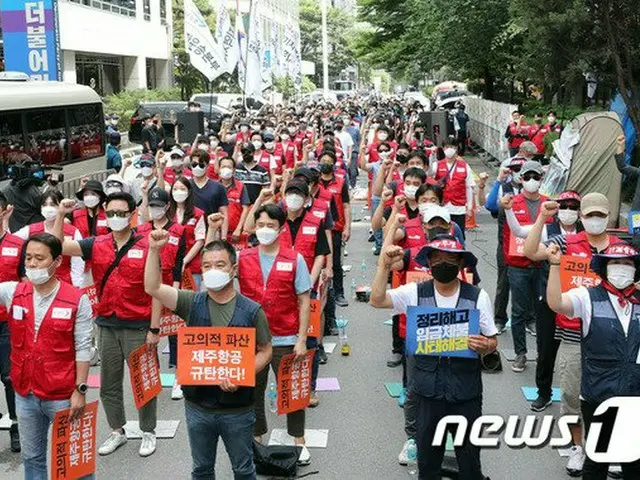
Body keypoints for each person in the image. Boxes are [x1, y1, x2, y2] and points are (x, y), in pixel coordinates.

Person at [144, 233, 272, 480]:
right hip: (198, 407)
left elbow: (265, 350)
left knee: (243, 469)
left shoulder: (252, 311)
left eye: (220, 265)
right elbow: (152, 287)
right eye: (207, 266)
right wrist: (153, 250)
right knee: (202, 470)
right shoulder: (191, 302)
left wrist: (241, 373)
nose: (213, 270)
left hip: (238, 409)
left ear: (233, 269)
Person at [371, 235, 497, 479]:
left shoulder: (477, 297)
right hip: (427, 394)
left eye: (450, 259)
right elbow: (377, 300)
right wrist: (383, 266)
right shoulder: (415, 293)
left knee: (470, 463)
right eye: (437, 258)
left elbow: (493, 340)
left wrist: (486, 345)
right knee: (428, 464)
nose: (443, 263)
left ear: (461, 264)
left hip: (466, 393)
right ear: (428, 263)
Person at [54, 192, 161, 458]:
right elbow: (57, 246)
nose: (115, 218)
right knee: (110, 383)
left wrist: (155, 329)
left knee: (143, 382)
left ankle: (148, 431)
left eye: (121, 213)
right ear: (104, 212)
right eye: (111, 213)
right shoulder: (97, 243)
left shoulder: (148, 245)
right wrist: (59, 215)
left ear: (132, 213)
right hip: (107, 324)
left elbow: (157, 288)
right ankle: (117, 431)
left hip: (138, 325)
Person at [207, 205, 313, 466]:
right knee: (253, 393)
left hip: (286, 337)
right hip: (251, 339)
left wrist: (301, 339)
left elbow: (304, 300)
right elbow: (213, 261)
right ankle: (257, 440)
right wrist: (214, 228)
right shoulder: (243, 258)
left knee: (293, 391)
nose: (265, 230)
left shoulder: (294, 259)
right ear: (254, 227)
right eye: (261, 225)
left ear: (281, 228)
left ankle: (299, 440)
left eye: (271, 225)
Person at [523, 192, 619, 476]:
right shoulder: (565, 242)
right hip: (573, 333)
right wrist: (542, 217)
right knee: (572, 394)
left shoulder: (620, 249)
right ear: (581, 217)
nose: (595, 220)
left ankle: (606, 447)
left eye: (601, 215)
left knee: (610, 396)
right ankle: (577, 448)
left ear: (609, 217)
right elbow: (530, 251)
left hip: (610, 336)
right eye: (590, 215)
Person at [0, 233, 93, 478]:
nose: (32, 264)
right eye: (28, 258)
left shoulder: (77, 300)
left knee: (75, 463)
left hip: (62, 394)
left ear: (56, 262)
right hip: (26, 392)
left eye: (39, 258)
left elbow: (83, 347)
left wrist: (80, 390)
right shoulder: (13, 292)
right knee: (32, 458)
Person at [546, 242, 640, 480]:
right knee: (598, 459)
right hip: (598, 393)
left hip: (634, 393)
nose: (622, 268)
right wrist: (555, 266)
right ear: (605, 267)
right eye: (615, 262)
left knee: (634, 462)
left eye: (627, 263)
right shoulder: (587, 297)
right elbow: (556, 303)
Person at [501, 160, 551, 373]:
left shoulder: (550, 204)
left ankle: (543, 354)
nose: (532, 181)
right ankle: (520, 354)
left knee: (544, 311)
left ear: (541, 179)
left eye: (536, 177)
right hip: (518, 265)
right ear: (521, 179)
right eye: (527, 176)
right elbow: (510, 232)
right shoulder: (511, 202)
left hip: (543, 265)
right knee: (519, 311)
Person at [14, 190, 86, 288]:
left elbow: (78, 263)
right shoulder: (31, 229)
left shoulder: (73, 232)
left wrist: (77, 285)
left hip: (64, 283)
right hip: (36, 283)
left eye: (52, 204)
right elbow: (11, 241)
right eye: (44, 205)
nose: (48, 208)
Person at [0, 193, 23, 452]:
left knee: (9, 377)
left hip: (8, 323)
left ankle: (16, 425)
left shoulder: (17, 244)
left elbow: (26, 282)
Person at [317, 150, 351, 307]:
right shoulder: (314, 182)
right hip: (316, 227)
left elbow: (345, 205)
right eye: (323, 160)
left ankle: (339, 293)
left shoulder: (340, 181)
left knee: (336, 263)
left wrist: (347, 227)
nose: (325, 163)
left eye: (329, 161)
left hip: (336, 228)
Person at [430, 137, 474, 238]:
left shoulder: (464, 166)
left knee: (459, 235)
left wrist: (470, 208)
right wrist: (432, 156)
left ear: (456, 148)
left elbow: (469, 187)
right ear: (443, 148)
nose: (450, 149)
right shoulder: (436, 165)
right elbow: (429, 176)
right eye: (447, 147)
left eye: (452, 147)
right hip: (441, 207)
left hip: (459, 207)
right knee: (440, 235)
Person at [167, 177, 206, 289]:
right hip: (169, 264)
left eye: (182, 188)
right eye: (175, 189)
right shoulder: (166, 212)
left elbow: (200, 241)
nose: (178, 191)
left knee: (190, 301)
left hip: (191, 265)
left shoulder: (198, 214)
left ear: (188, 192)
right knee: (169, 302)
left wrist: (184, 261)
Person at [2, 157, 45, 232]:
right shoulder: (32, 191)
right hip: (34, 232)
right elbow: (45, 208)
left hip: (15, 232)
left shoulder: (5, 190)